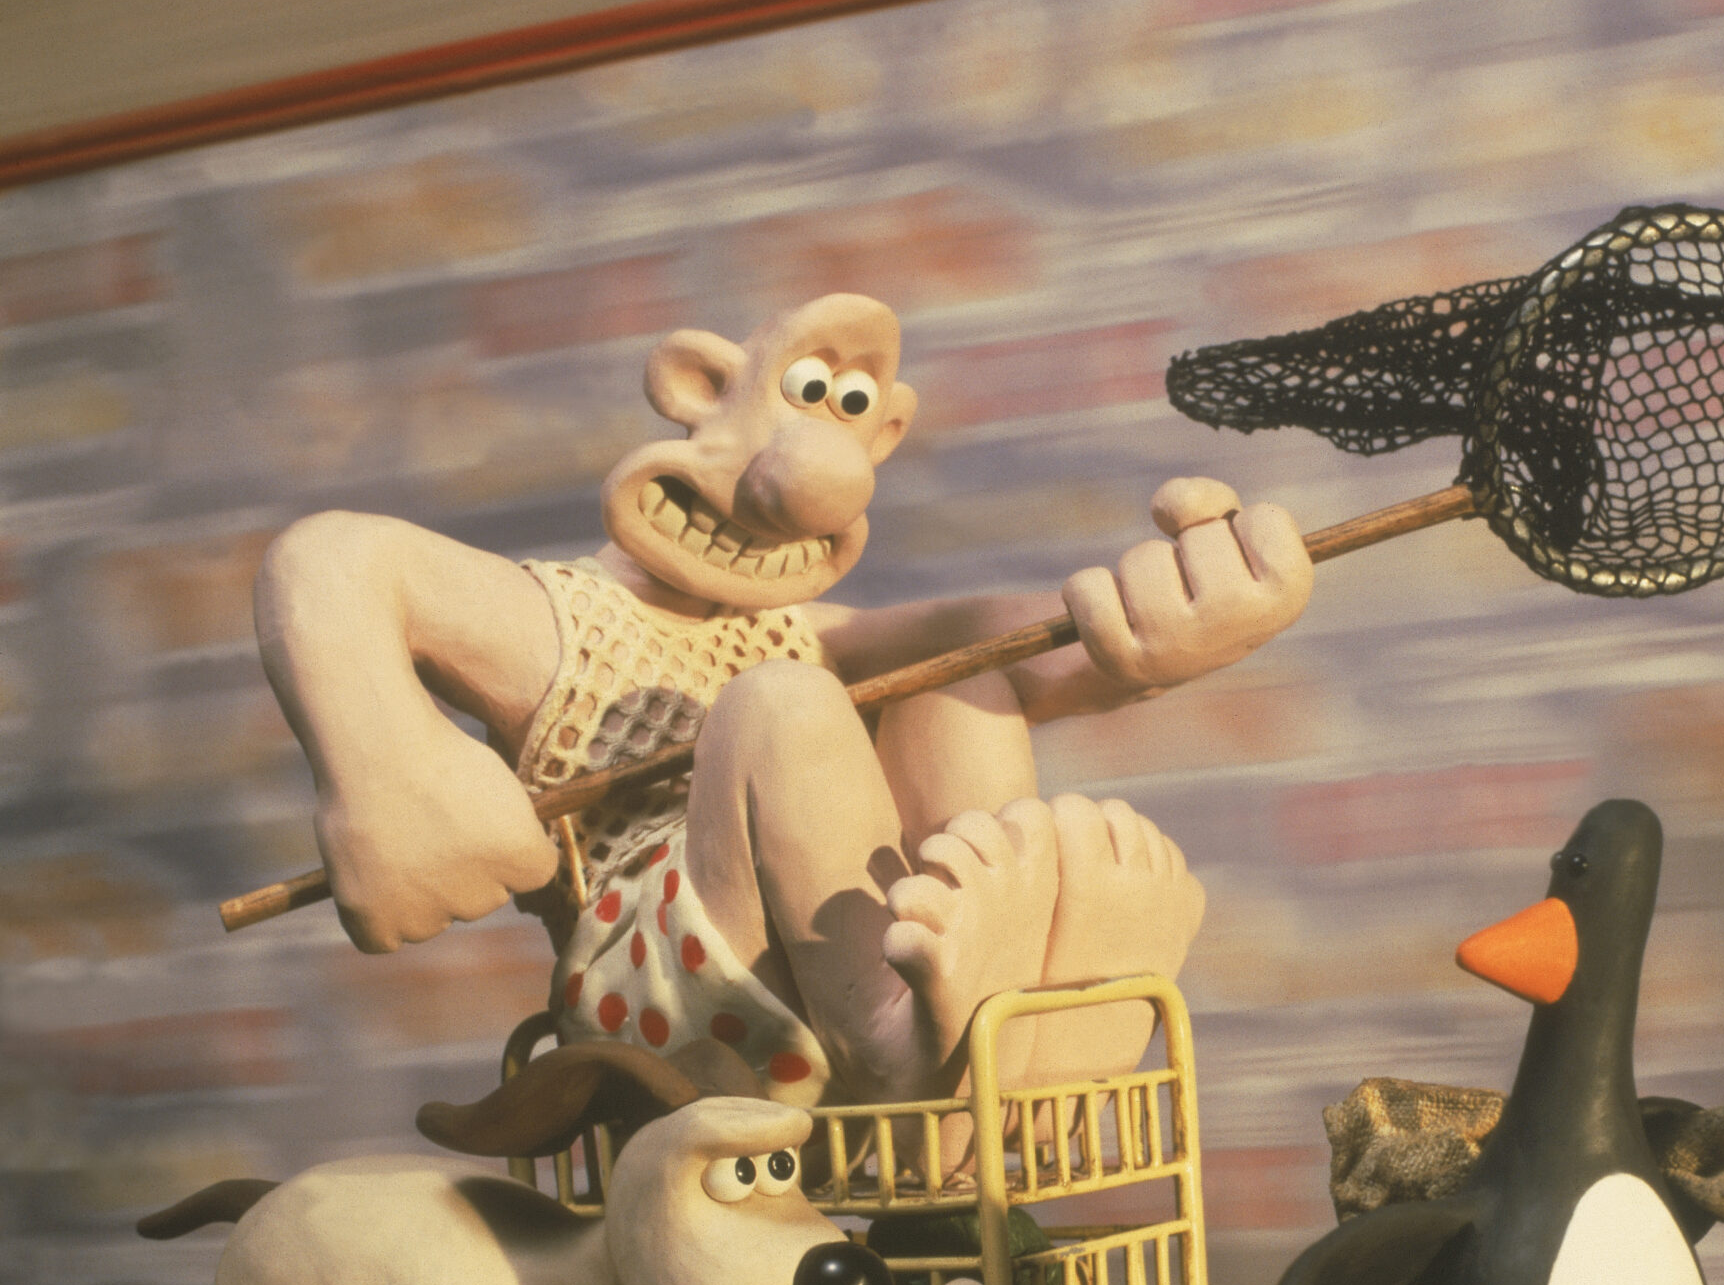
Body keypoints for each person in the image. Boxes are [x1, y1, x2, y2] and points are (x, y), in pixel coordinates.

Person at [254, 290, 1311, 1102]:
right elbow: (335, 560)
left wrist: (1148, 631)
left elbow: (1004, 638)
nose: (828, 462)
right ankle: (901, 1035)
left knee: (954, 684)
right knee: (785, 704)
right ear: (697, 389)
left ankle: (1009, 1001)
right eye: (807, 396)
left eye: (854, 413)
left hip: (833, 975)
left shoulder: (800, 629)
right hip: (662, 1004)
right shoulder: (558, 623)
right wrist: (394, 773)